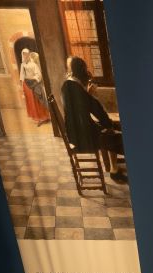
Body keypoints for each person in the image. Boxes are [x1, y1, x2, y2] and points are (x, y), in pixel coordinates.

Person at [61, 56, 127, 184]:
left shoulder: (69, 85)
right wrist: (110, 124)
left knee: (110, 132)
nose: (68, 71)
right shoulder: (72, 85)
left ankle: (114, 170)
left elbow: (82, 107)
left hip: (76, 133)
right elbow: (95, 109)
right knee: (119, 139)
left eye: (69, 67)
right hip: (82, 138)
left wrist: (88, 94)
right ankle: (116, 171)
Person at [19, 48, 50, 126]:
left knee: (37, 100)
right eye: (24, 54)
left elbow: (38, 75)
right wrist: (22, 85)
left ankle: (44, 117)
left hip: (34, 84)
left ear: (29, 54)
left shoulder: (33, 64)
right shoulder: (22, 65)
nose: (25, 56)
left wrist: (33, 78)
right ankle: (37, 117)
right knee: (31, 102)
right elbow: (22, 75)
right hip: (26, 85)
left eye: (26, 54)